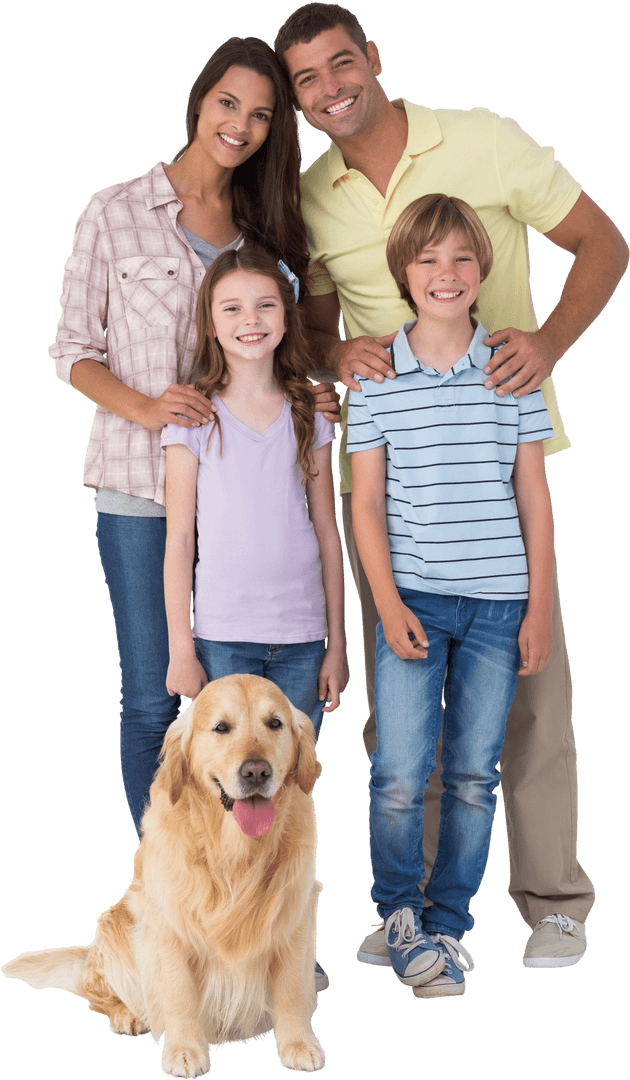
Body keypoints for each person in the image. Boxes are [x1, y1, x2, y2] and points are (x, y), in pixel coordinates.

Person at [274, 3, 629, 967]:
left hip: (504, 470)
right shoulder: (309, 196)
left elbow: (605, 242)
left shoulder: (483, 139)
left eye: (341, 64)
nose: (328, 88)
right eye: (305, 79)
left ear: (373, 59)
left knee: (533, 698)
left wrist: (549, 343)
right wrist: (335, 344)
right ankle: (420, 916)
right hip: (396, 482)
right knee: (409, 715)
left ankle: (556, 899)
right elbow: (303, 328)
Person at [49, 37, 340, 841]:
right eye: (227, 104)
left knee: (248, 713)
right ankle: (166, 891)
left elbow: (304, 335)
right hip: (146, 488)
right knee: (158, 695)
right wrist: (149, 409)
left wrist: (313, 383)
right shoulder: (114, 212)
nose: (240, 127)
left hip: (256, 495)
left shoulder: (271, 223)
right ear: (197, 99)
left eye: (261, 116)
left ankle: (251, 893)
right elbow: (72, 350)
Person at [348, 193, 555, 996]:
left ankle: (447, 923)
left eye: (463, 258)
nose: (447, 273)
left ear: (483, 271)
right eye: (429, 259)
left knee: (473, 771)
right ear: (403, 272)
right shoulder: (376, 376)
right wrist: (390, 603)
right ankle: (399, 913)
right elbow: (364, 502)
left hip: (501, 606)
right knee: (400, 769)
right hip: (417, 602)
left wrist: (538, 605)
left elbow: (534, 494)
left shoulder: (512, 371)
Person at [162, 247, 349, 738]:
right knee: (230, 783)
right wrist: (182, 648)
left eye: (266, 304)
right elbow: (180, 538)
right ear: (209, 323)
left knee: (290, 787)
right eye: (232, 308)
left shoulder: (309, 409)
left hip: (304, 637)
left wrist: (337, 644)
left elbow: (328, 531)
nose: (252, 319)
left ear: (288, 317)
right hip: (223, 637)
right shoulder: (194, 415)